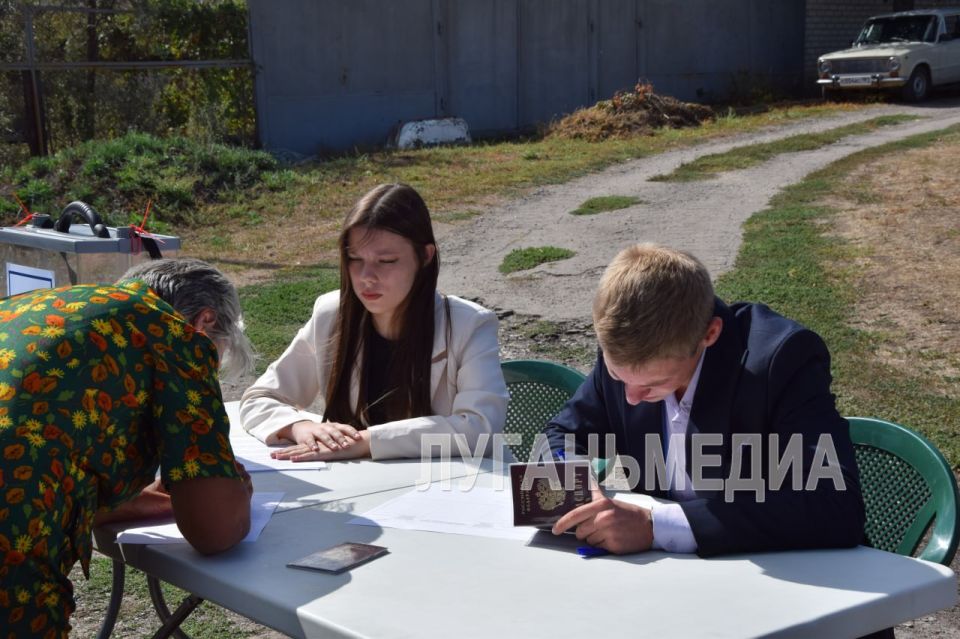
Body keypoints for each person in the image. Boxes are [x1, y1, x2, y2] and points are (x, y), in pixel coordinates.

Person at [545, 243, 865, 557]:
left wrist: (657, 527)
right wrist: (577, 484)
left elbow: (835, 504)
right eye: (618, 377)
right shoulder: (625, 354)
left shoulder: (780, 361)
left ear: (709, 335)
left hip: (785, 571)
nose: (631, 398)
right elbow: (561, 435)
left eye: (654, 385)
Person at [0, 258, 255, 638]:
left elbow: (47, 434)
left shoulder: (39, 307)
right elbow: (214, 531)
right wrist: (237, 493)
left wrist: (120, 503)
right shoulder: (176, 335)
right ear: (204, 323)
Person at [240, 183, 508, 461]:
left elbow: (481, 429)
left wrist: (368, 441)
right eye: (355, 259)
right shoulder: (330, 314)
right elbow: (259, 399)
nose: (366, 276)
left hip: (448, 487)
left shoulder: (470, 324)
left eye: (386, 260)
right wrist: (299, 427)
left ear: (425, 256)